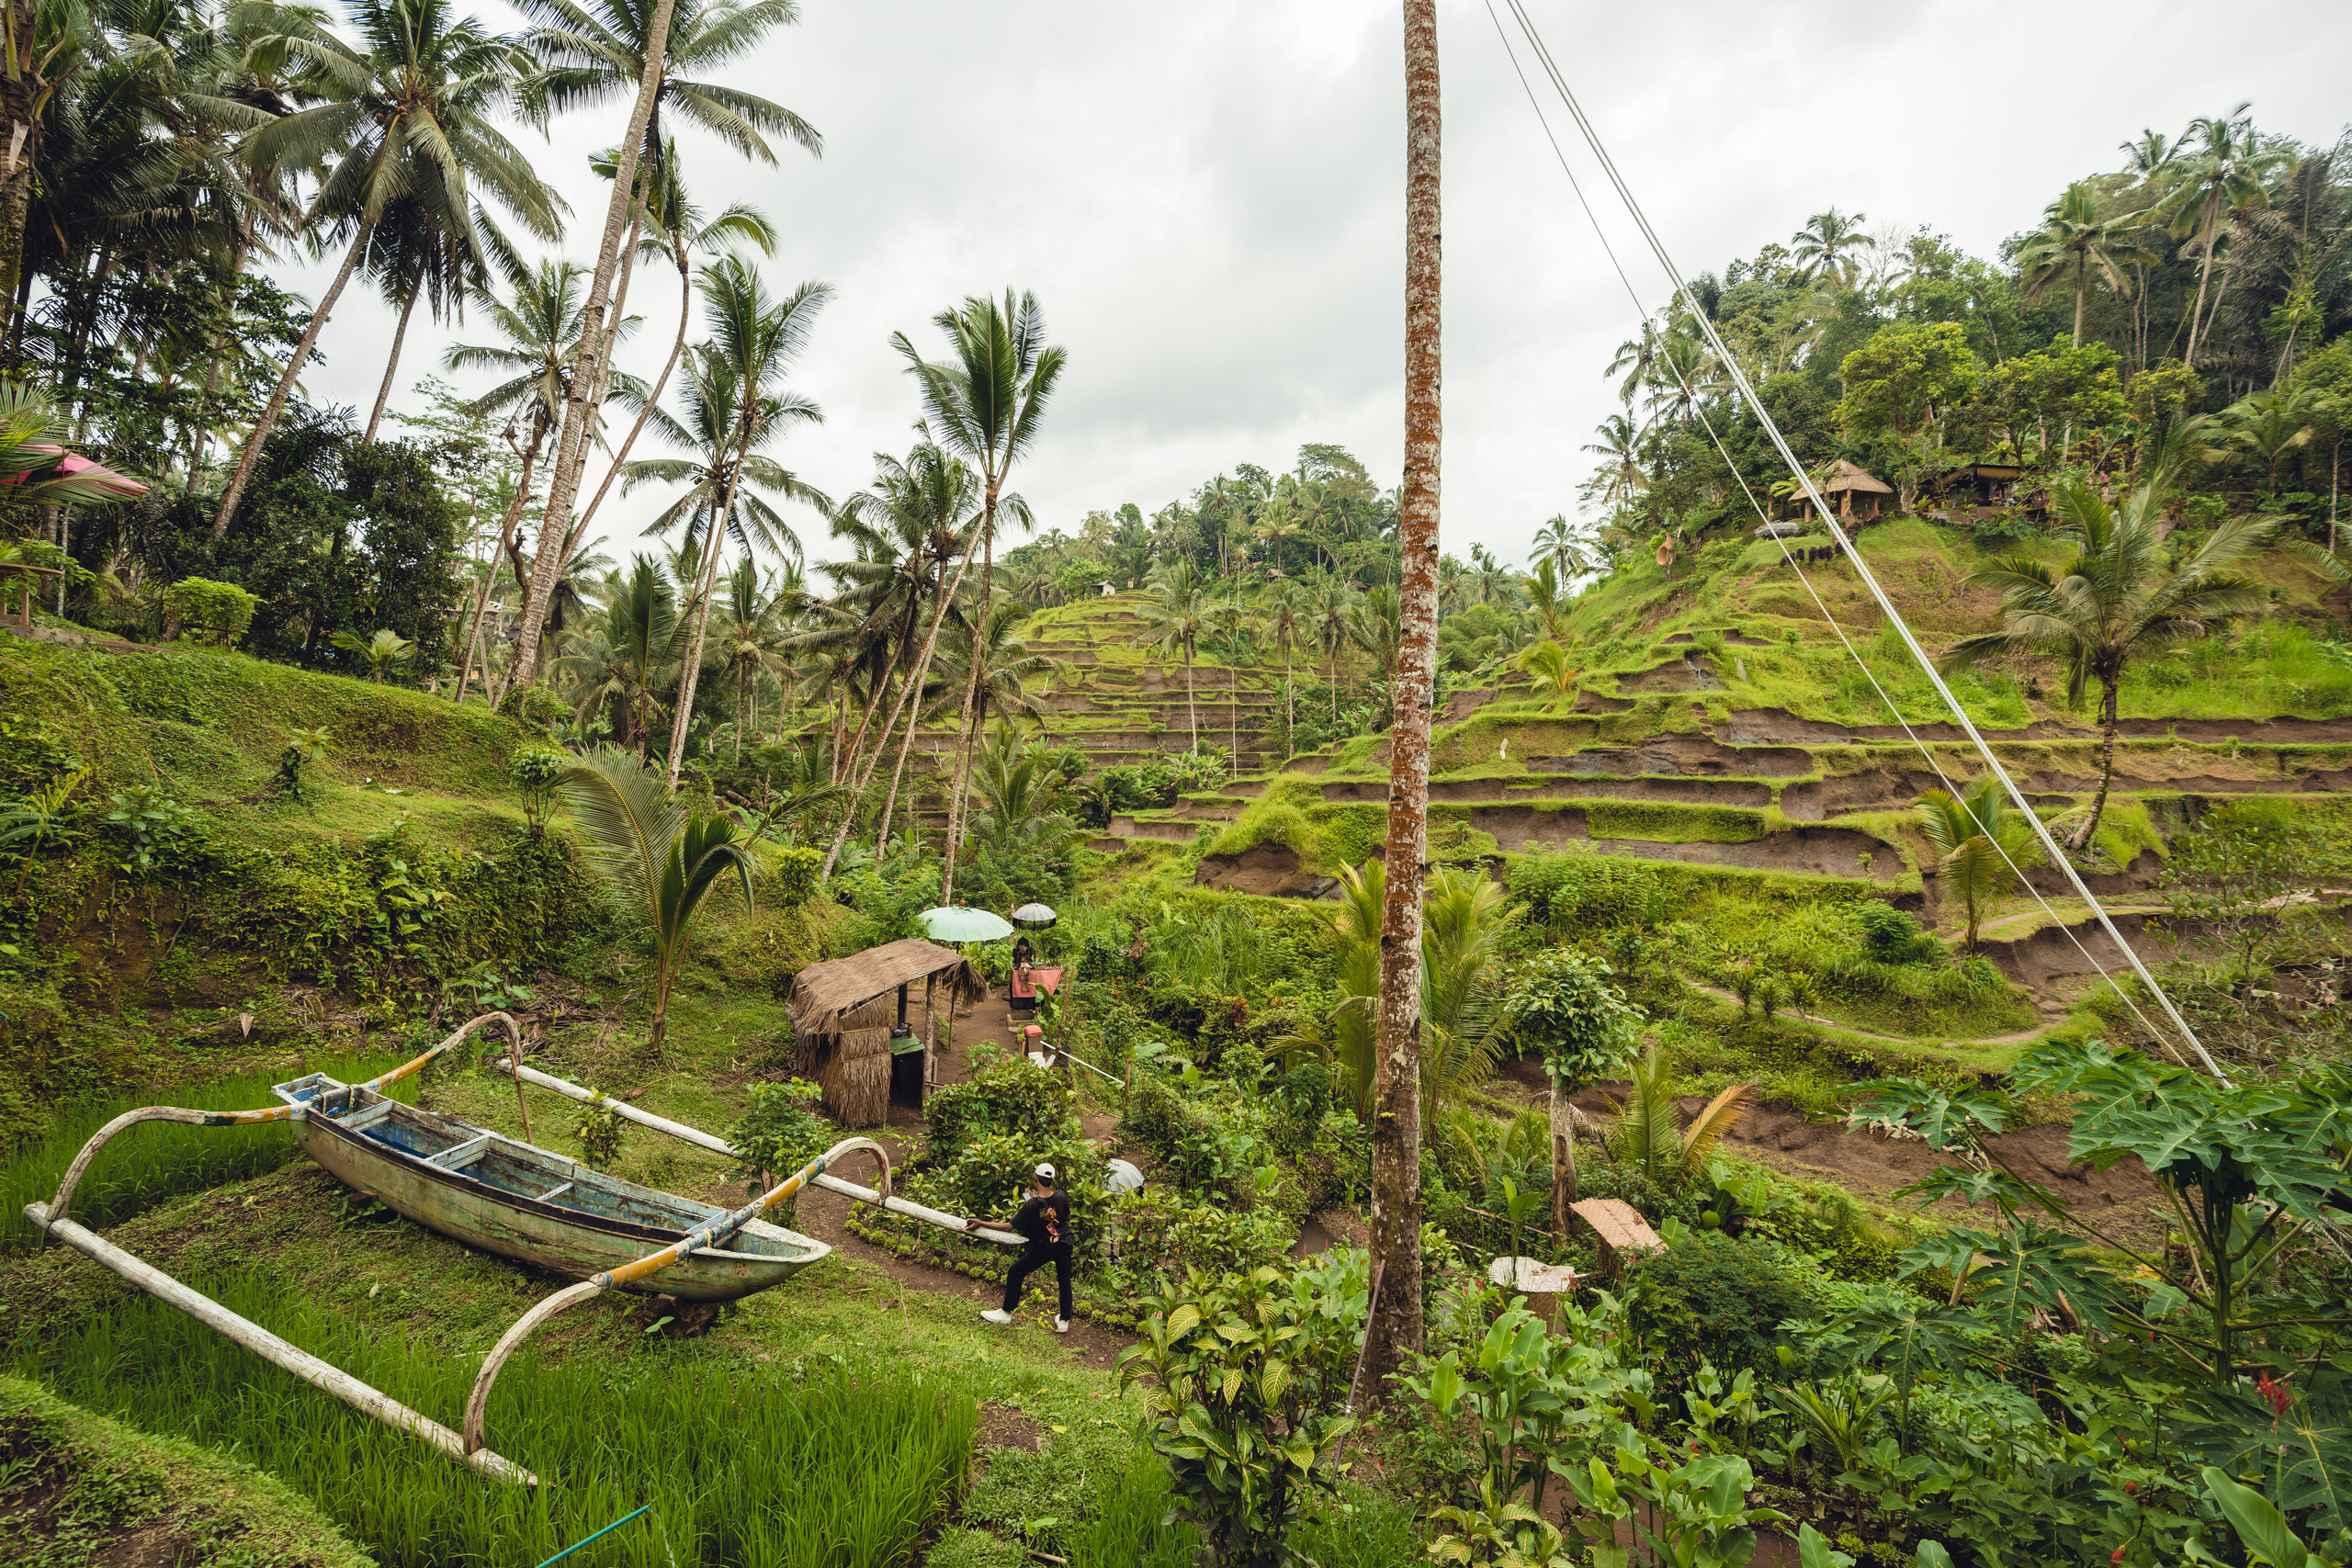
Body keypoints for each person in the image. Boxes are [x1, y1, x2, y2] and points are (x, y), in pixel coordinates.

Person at [979, 1162, 1072, 1333]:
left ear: (1035, 1177)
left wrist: (980, 1223)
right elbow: (1067, 1216)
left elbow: (1009, 1226)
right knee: (1064, 1280)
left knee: (1016, 1272)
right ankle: (1064, 1321)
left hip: (1046, 1245)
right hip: (1065, 1241)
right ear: (1052, 1181)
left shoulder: (1031, 1205)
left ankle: (1006, 1313)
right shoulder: (1060, 1196)